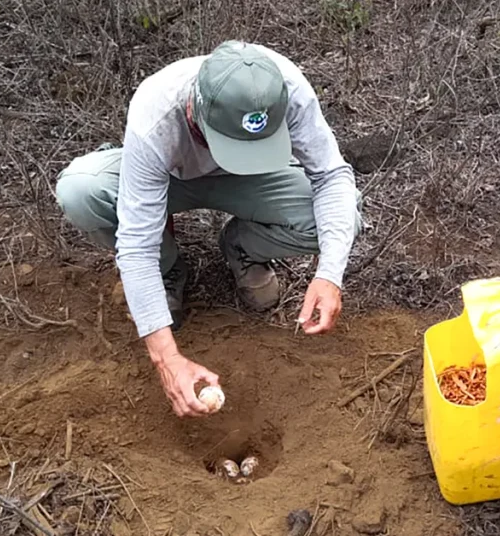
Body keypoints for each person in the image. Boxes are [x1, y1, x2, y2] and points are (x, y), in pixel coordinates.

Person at [54, 40, 362, 418]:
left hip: (254, 177)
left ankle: (244, 248)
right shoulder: (158, 111)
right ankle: (169, 272)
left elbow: (331, 176)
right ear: (193, 111)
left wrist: (329, 274)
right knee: (81, 191)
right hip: (170, 179)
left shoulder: (286, 91)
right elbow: (136, 244)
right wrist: (167, 359)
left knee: (339, 219)